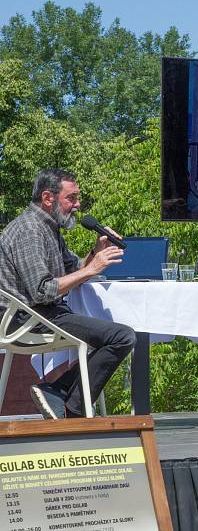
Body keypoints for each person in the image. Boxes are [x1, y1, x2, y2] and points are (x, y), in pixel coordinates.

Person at [0, 168, 136, 419]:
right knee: (122, 336)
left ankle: (61, 395)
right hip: (27, 320)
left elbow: (75, 268)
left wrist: (96, 252)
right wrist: (93, 268)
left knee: (118, 335)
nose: (78, 204)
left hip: (44, 314)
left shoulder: (49, 227)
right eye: (71, 198)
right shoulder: (29, 230)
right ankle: (69, 402)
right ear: (48, 198)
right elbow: (42, 291)